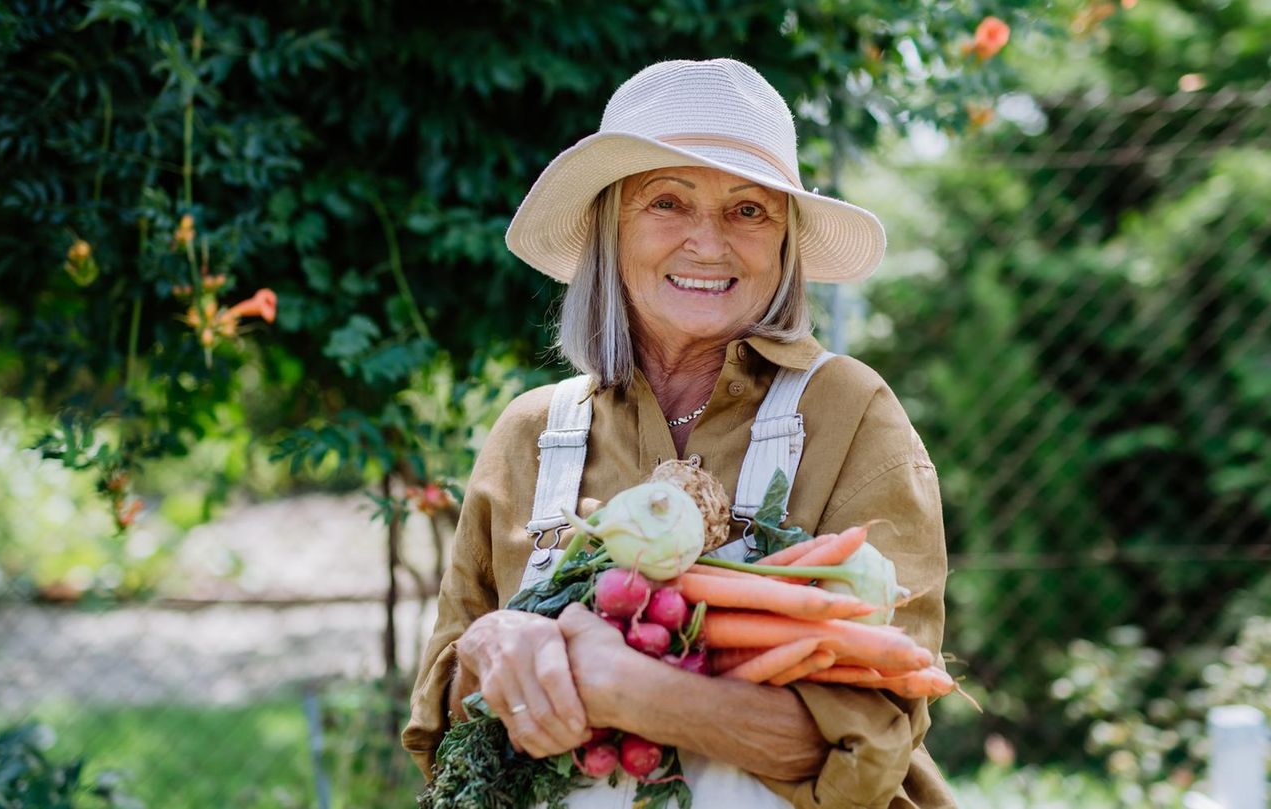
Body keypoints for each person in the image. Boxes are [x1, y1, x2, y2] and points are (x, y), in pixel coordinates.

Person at [403, 58, 954, 808]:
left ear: (785, 241)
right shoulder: (533, 434)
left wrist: (626, 690)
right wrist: (491, 647)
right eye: (667, 201)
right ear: (609, 229)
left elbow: (865, 745)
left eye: (749, 210)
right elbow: (448, 736)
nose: (708, 243)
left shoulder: (848, 413)